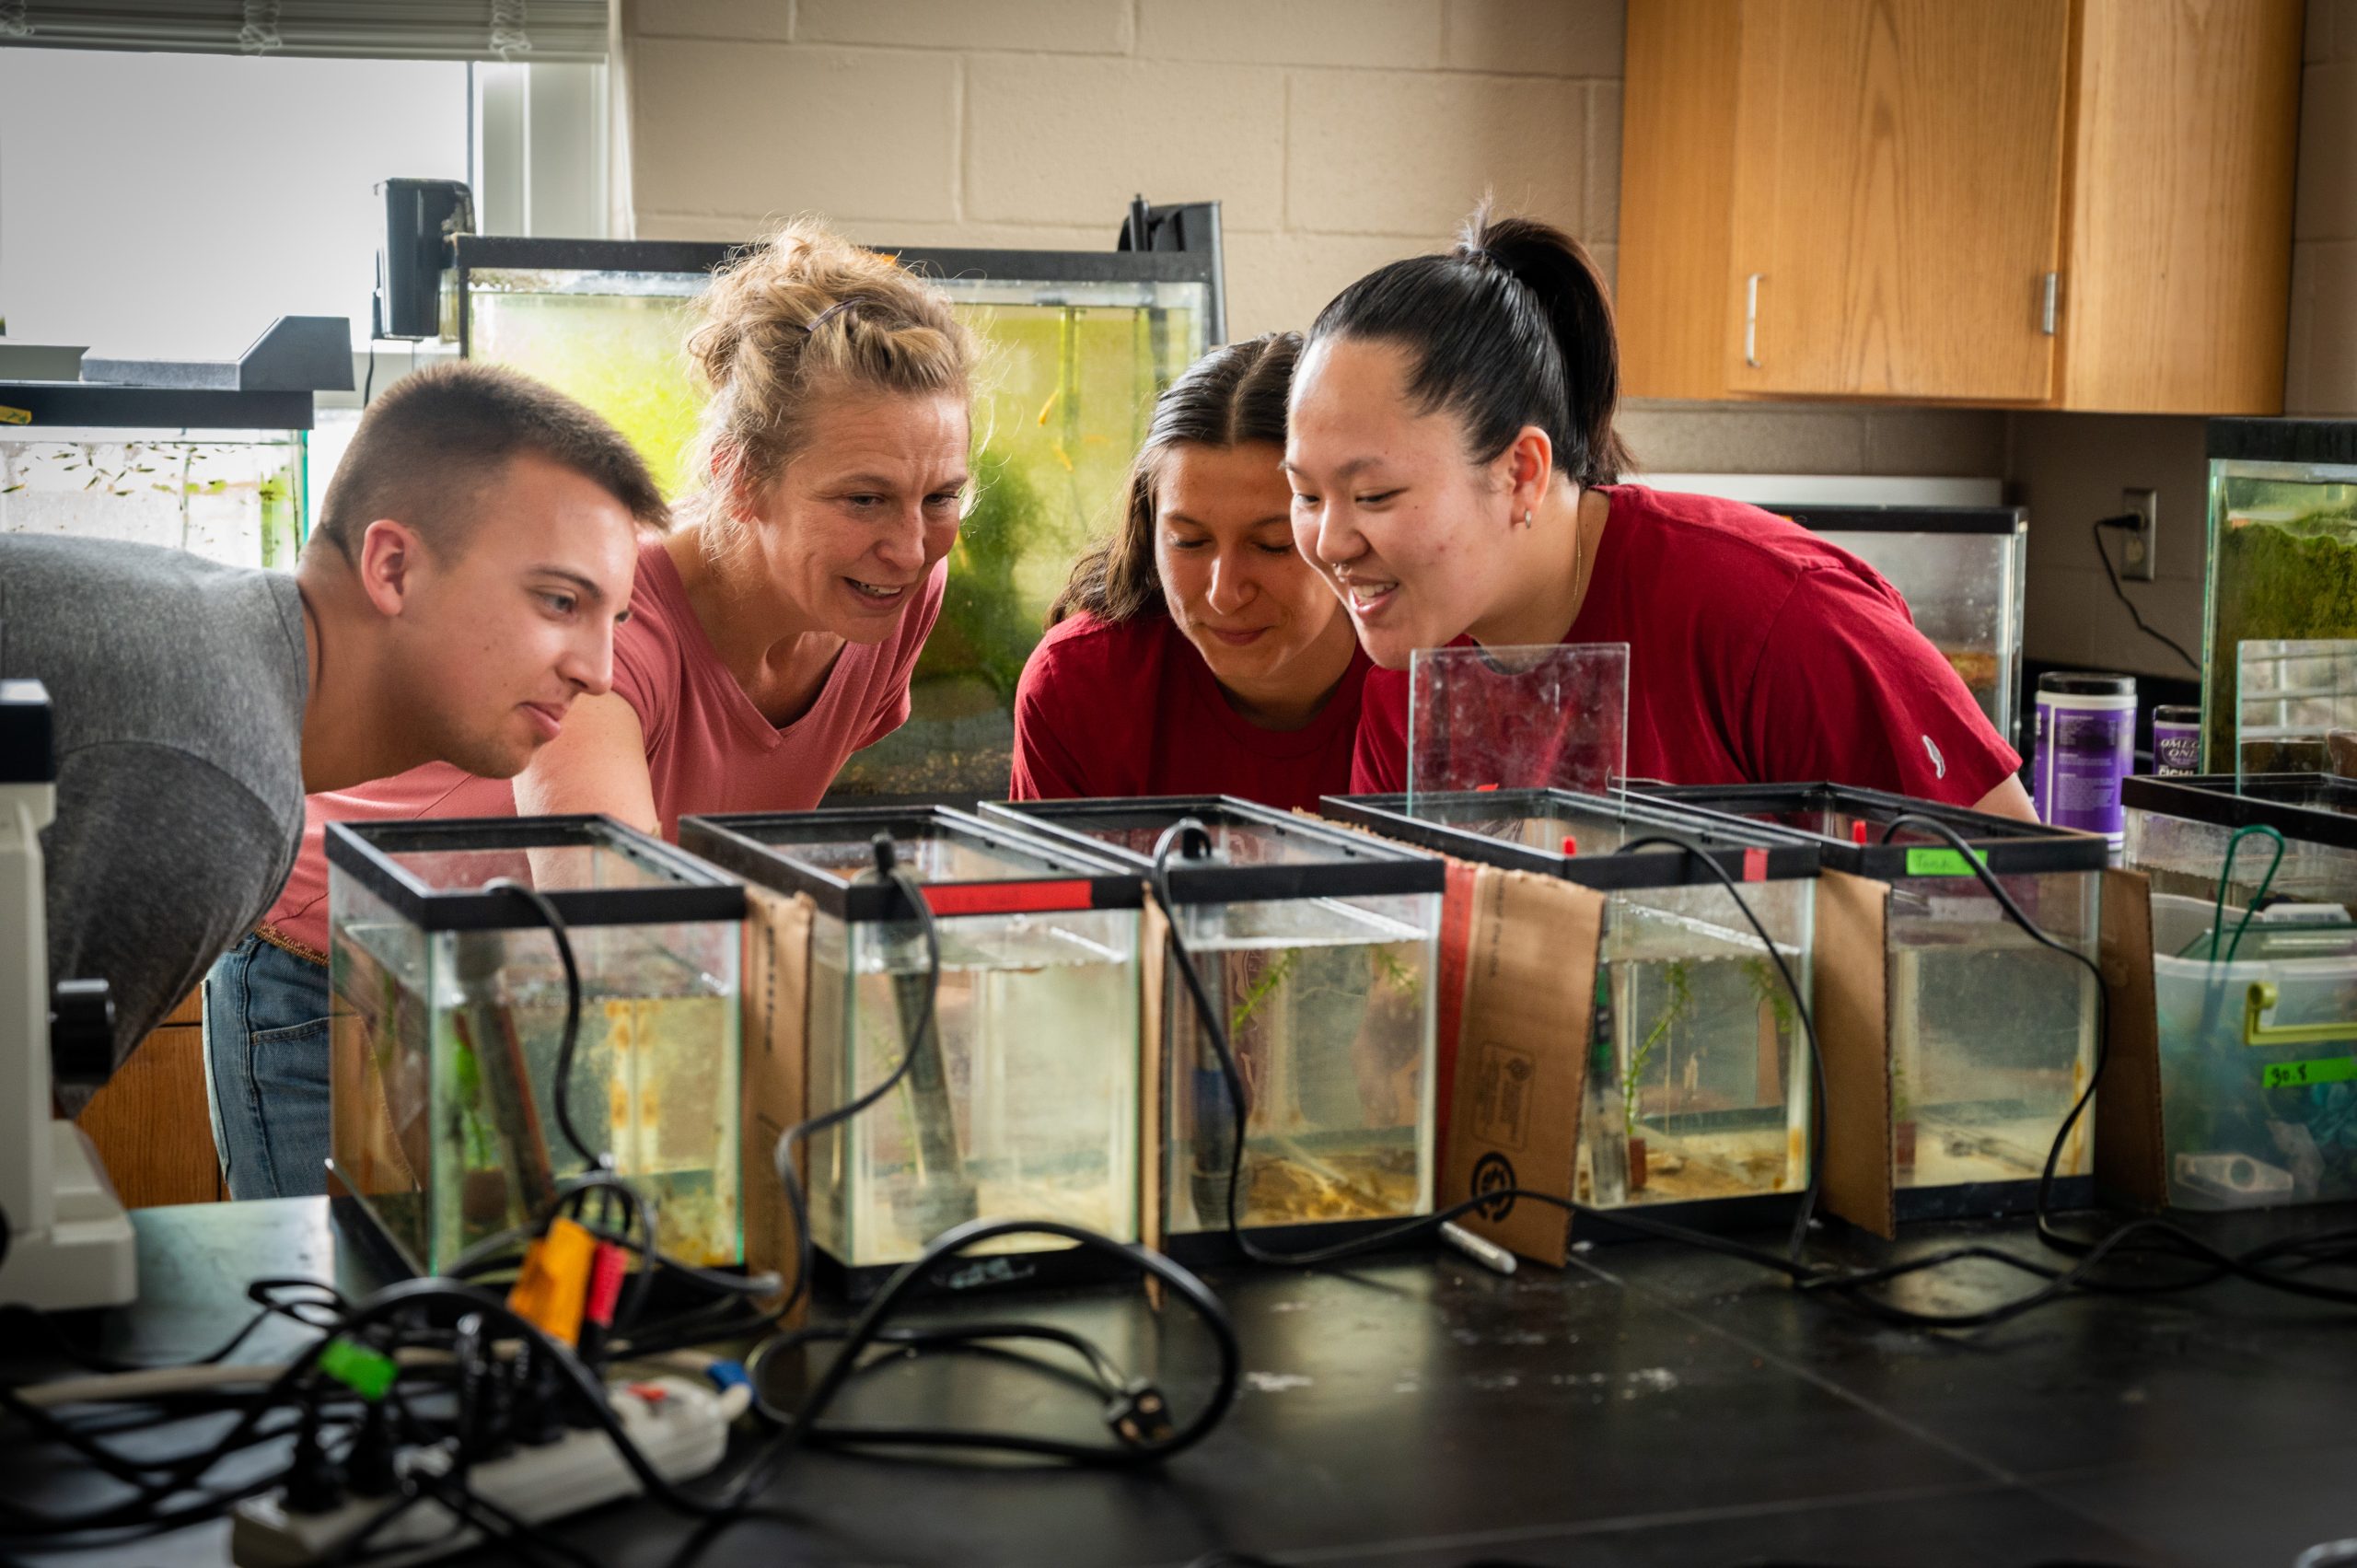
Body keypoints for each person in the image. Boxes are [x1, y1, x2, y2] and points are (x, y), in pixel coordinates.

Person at [210, 220, 976, 1200]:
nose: (910, 547)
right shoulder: (620, 634)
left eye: (941, 496)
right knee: (363, 1326)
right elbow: (613, 916)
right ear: (741, 479)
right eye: (863, 500)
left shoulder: (895, 593)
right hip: (339, 967)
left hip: (527, 979)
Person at [1, 364, 663, 1113]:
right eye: (559, 600)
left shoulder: (223, 641)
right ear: (393, 566)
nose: (600, 673)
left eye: (615, 621)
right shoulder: (219, 777)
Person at [1285, 209, 2034, 819]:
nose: (1328, 540)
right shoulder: (1408, 668)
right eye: (1307, 495)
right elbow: (1403, 969)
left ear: (1520, 473)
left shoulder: (1770, 612)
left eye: (1374, 495)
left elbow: (2020, 880)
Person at [1011, 333, 1367, 811]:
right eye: (1189, 542)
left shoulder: (1447, 671)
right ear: (1148, 525)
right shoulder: (1076, 686)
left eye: (1272, 544)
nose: (1224, 594)